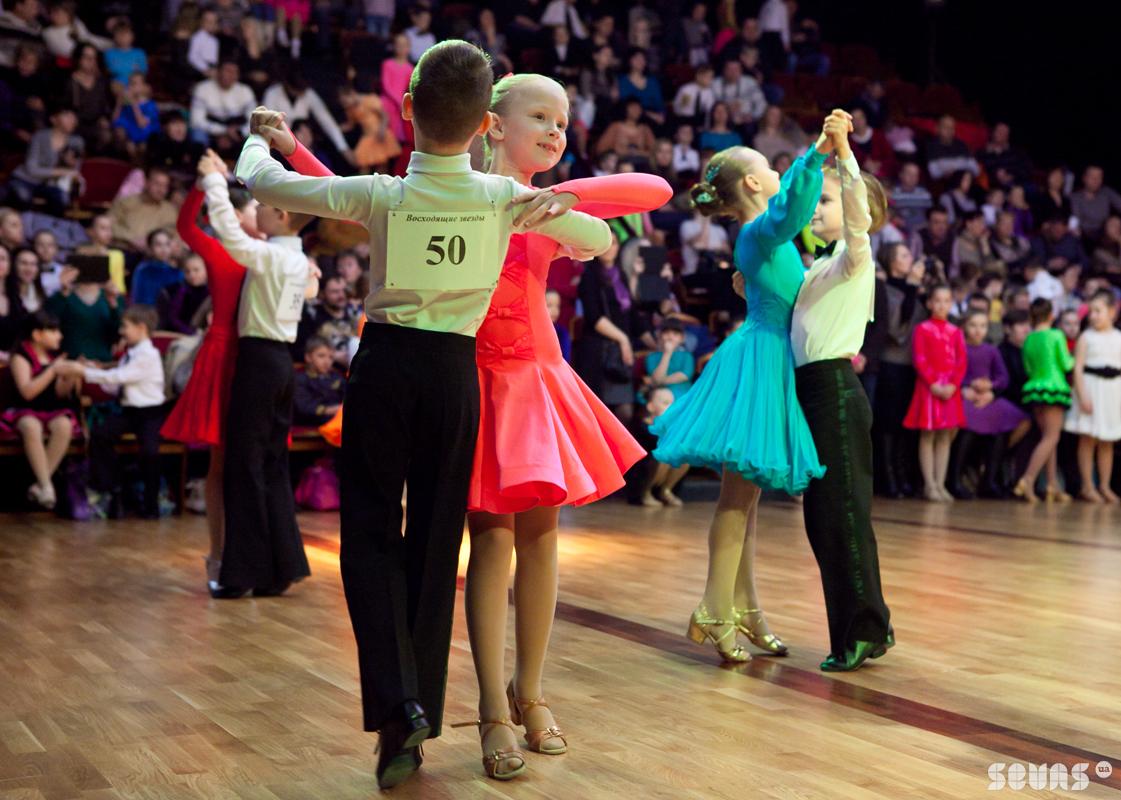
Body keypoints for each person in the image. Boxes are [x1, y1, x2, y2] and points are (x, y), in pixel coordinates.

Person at [239, 40, 607, 789]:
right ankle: (428, 712)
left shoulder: (382, 193)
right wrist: (557, 211)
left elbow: (262, 181)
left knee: (371, 538)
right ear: (483, 127)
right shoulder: (499, 199)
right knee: (439, 549)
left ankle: (399, 708)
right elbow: (596, 240)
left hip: (385, 370)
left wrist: (259, 135)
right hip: (454, 378)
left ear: (406, 111)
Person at [451, 72, 664, 781]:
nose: (553, 130)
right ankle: (489, 708)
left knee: (541, 542)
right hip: (478, 375)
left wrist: (559, 198)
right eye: (538, 116)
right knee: (489, 544)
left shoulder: (547, 201)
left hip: (538, 377)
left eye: (563, 121)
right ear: (489, 124)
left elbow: (649, 194)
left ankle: (531, 691)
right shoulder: (461, 189)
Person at [653, 116, 843, 667]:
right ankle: (713, 611)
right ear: (756, 185)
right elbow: (794, 211)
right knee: (737, 501)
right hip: (759, 363)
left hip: (765, 355)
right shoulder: (762, 229)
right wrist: (816, 154)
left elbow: (788, 240)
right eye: (768, 166)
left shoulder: (759, 234)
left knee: (749, 503)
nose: (776, 171)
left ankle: (748, 610)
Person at [160, 142, 326, 596]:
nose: (256, 207)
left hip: (257, 360)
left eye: (264, 204)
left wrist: (215, 179)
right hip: (274, 362)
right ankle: (277, 568)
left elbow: (231, 236)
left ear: (284, 217)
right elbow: (308, 288)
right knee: (267, 466)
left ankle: (241, 574)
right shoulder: (291, 258)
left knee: (245, 467)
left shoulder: (270, 255)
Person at [789, 118, 894, 671]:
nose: (818, 207)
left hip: (834, 389)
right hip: (813, 391)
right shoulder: (822, 266)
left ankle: (863, 632)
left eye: (826, 200)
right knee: (824, 518)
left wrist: (844, 153)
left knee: (842, 516)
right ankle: (865, 626)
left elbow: (855, 217)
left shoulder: (857, 257)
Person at [68, 305, 166, 518]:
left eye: (125, 327)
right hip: (129, 411)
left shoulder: (148, 355)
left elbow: (120, 377)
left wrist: (84, 372)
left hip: (150, 412)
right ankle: (112, 486)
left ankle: (152, 504)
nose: (122, 331)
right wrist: (96, 368)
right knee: (101, 435)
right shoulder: (129, 354)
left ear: (141, 328)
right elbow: (114, 384)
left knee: (150, 452)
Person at [0, 309, 81, 509]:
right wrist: (53, 371)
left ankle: (42, 485)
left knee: (64, 425)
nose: (59, 336)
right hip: (24, 409)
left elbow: (61, 393)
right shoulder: (21, 357)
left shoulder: (55, 357)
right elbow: (28, 392)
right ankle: (46, 485)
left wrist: (71, 376)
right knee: (30, 426)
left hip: (51, 410)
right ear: (37, 335)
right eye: (53, 331)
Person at [948, 309, 1029, 499]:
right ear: (964, 327)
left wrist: (991, 389)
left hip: (987, 398)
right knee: (967, 425)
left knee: (1006, 424)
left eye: (983, 326)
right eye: (973, 325)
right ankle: (955, 479)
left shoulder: (991, 350)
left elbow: (1003, 378)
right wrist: (965, 387)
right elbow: (952, 371)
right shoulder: (958, 347)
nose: (978, 330)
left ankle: (990, 479)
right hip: (965, 397)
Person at [903, 285, 966, 502]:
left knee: (945, 436)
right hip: (929, 389)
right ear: (929, 303)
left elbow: (961, 362)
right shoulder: (922, 329)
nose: (941, 305)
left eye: (946, 300)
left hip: (949, 390)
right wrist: (933, 384)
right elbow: (919, 359)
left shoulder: (956, 332)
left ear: (951, 304)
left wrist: (953, 385)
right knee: (928, 435)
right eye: (937, 300)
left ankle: (941, 484)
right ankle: (929, 484)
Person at [1014, 298, 1075, 503]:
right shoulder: (1056, 335)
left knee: (1049, 439)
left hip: (1035, 388)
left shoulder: (1029, 339)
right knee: (1051, 438)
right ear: (1051, 315)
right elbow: (1066, 364)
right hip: (1054, 387)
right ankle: (1028, 479)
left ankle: (1052, 485)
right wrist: (1077, 358)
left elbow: (1028, 368)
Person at [1064, 290, 1121, 503]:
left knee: (1107, 440)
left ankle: (1105, 485)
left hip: (1112, 391)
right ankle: (1087, 485)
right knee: (1087, 439)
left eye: (1099, 311)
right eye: (1091, 311)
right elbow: (1077, 368)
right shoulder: (1086, 337)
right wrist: (1083, 395)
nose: (1094, 315)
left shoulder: (1118, 338)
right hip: (1090, 388)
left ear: (1112, 312)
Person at [262, 70, 353, 165]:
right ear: (287, 84)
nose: (300, 93)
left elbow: (326, 121)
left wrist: (344, 148)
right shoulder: (272, 94)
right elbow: (267, 125)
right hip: (279, 145)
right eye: (296, 89)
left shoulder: (308, 93)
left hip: (305, 145)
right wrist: (267, 154)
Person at [9, 105, 84, 216]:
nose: (72, 120)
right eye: (67, 115)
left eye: (73, 117)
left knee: (62, 199)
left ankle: (51, 229)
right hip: (25, 180)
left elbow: (74, 171)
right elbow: (31, 169)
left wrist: (70, 166)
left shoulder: (76, 141)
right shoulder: (39, 137)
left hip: (50, 185)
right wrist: (61, 171)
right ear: (53, 119)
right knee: (22, 196)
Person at [45, 260, 121, 362]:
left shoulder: (112, 297)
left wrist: (113, 305)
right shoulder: (62, 296)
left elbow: (118, 333)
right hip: (69, 362)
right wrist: (63, 291)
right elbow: (49, 323)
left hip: (103, 363)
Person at [108, 166, 178, 255]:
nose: (161, 190)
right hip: (123, 251)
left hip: (155, 257)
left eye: (165, 186)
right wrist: (131, 238)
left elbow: (175, 236)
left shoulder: (170, 211)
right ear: (146, 183)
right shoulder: (125, 203)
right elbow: (108, 225)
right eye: (157, 184)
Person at [338, 84, 401, 173]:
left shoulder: (369, 100)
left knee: (382, 165)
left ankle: (381, 185)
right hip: (367, 137)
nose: (345, 105)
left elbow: (384, 115)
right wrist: (337, 129)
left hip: (379, 134)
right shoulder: (350, 109)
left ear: (351, 94)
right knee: (363, 167)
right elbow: (350, 124)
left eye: (345, 102)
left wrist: (382, 128)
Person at [293, 335, 344, 426]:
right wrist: (333, 410)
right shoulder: (300, 379)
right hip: (312, 419)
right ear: (308, 357)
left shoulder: (336, 377)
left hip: (338, 417)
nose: (327, 361)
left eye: (331, 357)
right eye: (321, 356)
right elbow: (304, 407)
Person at [640, 317, 694, 401]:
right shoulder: (651, 357)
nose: (670, 337)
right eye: (666, 333)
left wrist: (657, 382)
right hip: (658, 392)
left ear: (682, 338)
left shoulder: (686, 356)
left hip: (682, 390)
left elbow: (685, 375)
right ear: (659, 335)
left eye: (675, 334)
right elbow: (657, 378)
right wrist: (667, 353)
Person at [157, 252, 209, 334]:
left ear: (206, 270)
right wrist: (190, 332)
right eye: (187, 271)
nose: (192, 274)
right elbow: (173, 318)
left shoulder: (211, 292)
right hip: (183, 334)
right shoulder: (181, 291)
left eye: (196, 270)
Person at [130, 228, 180, 306]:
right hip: (147, 314)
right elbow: (137, 298)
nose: (164, 249)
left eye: (167, 244)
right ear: (150, 248)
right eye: (158, 245)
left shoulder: (177, 272)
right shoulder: (143, 270)